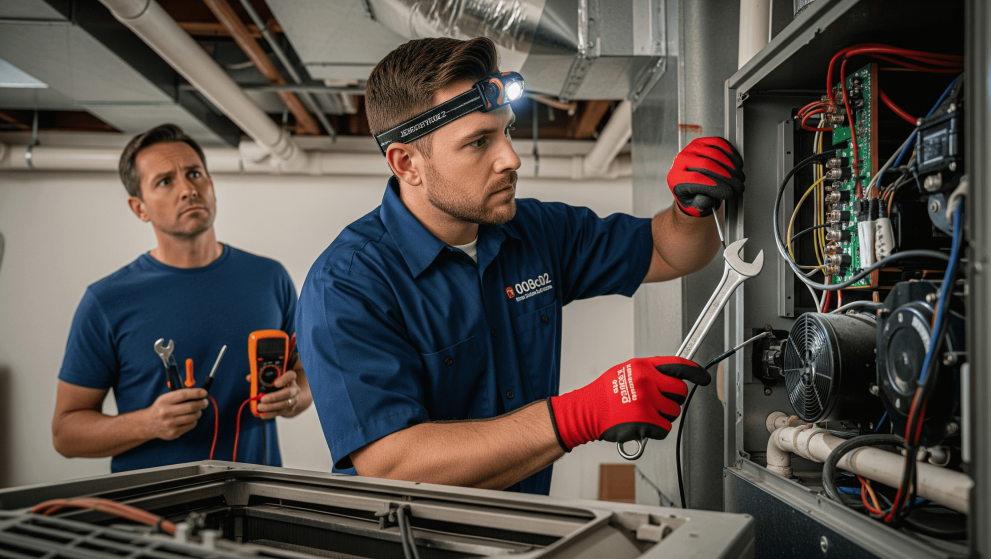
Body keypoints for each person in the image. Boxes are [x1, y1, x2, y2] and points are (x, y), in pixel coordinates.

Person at [296, 37, 745, 495]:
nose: (510, 158)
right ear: (407, 162)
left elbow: (667, 251)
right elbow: (391, 464)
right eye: (478, 142)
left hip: (525, 534)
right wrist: (580, 415)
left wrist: (691, 206)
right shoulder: (346, 285)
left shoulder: (533, 230)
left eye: (506, 131)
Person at [51, 124, 312, 471]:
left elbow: (307, 373)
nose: (188, 189)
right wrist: (148, 423)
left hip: (257, 507)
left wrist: (295, 397)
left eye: (194, 174)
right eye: (165, 181)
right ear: (139, 208)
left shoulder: (270, 278)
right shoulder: (105, 300)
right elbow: (65, 433)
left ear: (211, 185)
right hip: (154, 513)